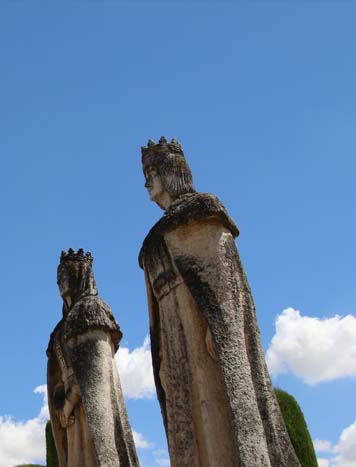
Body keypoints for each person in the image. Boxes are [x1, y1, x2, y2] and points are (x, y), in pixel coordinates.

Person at [138, 137, 299, 467]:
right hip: (174, 331)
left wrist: (221, 328)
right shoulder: (154, 238)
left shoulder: (202, 211)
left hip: (201, 328)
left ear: (170, 172)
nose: (146, 183)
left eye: (151, 173)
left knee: (215, 404)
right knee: (186, 415)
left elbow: (223, 277)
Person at [47, 248, 140, 467]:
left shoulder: (91, 310)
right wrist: (61, 407)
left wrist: (69, 402)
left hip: (91, 407)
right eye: (58, 277)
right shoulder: (59, 330)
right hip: (70, 415)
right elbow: (57, 377)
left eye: (64, 275)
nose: (60, 282)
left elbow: (94, 372)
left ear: (78, 274)